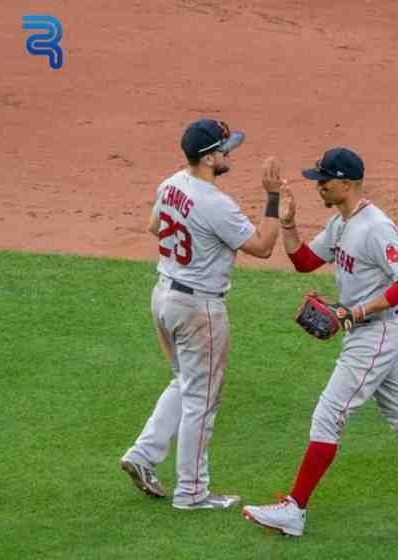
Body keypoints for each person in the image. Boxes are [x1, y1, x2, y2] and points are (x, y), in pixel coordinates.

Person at [242, 147, 398, 537]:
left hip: (377, 332)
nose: (319, 187)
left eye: (324, 181)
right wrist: (290, 224)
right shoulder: (341, 223)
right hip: (368, 331)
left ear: (346, 183)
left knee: (329, 413)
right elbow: (305, 263)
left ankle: (294, 510)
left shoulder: (375, 227)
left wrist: (356, 312)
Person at [120, 118, 283, 509]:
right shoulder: (216, 204)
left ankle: (142, 455)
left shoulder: (171, 183)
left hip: (164, 296)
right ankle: (192, 492)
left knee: (184, 381)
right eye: (226, 150)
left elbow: (153, 227)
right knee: (202, 399)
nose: (231, 154)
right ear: (209, 158)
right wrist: (273, 198)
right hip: (198, 309)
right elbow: (261, 247)